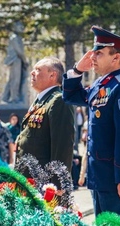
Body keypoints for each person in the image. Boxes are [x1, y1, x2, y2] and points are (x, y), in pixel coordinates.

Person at [62, 25, 120, 226]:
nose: (93, 57)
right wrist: (77, 70)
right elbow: (71, 96)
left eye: (98, 53)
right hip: (100, 178)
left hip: (119, 181)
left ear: (115, 58)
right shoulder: (101, 85)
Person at [16, 56, 75, 188]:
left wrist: (58, 183)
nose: (32, 72)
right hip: (29, 180)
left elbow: (63, 145)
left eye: (38, 69)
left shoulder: (59, 101)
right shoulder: (40, 100)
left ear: (52, 75)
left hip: (45, 184)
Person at [1, 21, 28, 103]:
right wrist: (25, 60)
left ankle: (5, 97)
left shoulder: (18, 38)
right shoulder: (14, 38)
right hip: (15, 59)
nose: (22, 29)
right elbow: (19, 51)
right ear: (15, 27)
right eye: (20, 27)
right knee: (15, 80)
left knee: (14, 79)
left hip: (18, 60)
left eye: (22, 27)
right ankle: (13, 98)